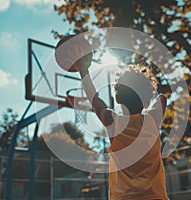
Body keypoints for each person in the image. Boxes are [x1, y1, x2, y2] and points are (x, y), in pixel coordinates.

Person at [67, 46, 169, 200]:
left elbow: (96, 102)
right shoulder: (152, 121)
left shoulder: (114, 123)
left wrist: (83, 70)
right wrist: (149, 91)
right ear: (147, 100)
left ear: (118, 99)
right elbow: (162, 98)